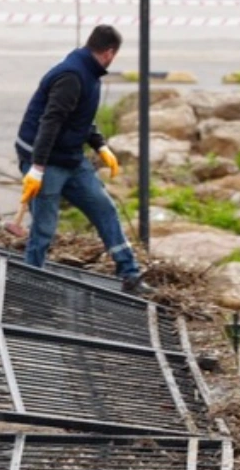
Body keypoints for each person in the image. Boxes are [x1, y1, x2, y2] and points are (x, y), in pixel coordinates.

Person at [13, 25, 154, 296]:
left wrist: (100, 145)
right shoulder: (72, 76)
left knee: (104, 208)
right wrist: (37, 168)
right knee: (44, 228)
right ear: (110, 52)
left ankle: (129, 274)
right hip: (44, 158)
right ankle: (30, 289)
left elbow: (80, 118)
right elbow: (51, 122)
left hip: (69, 158)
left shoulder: (88, 73)